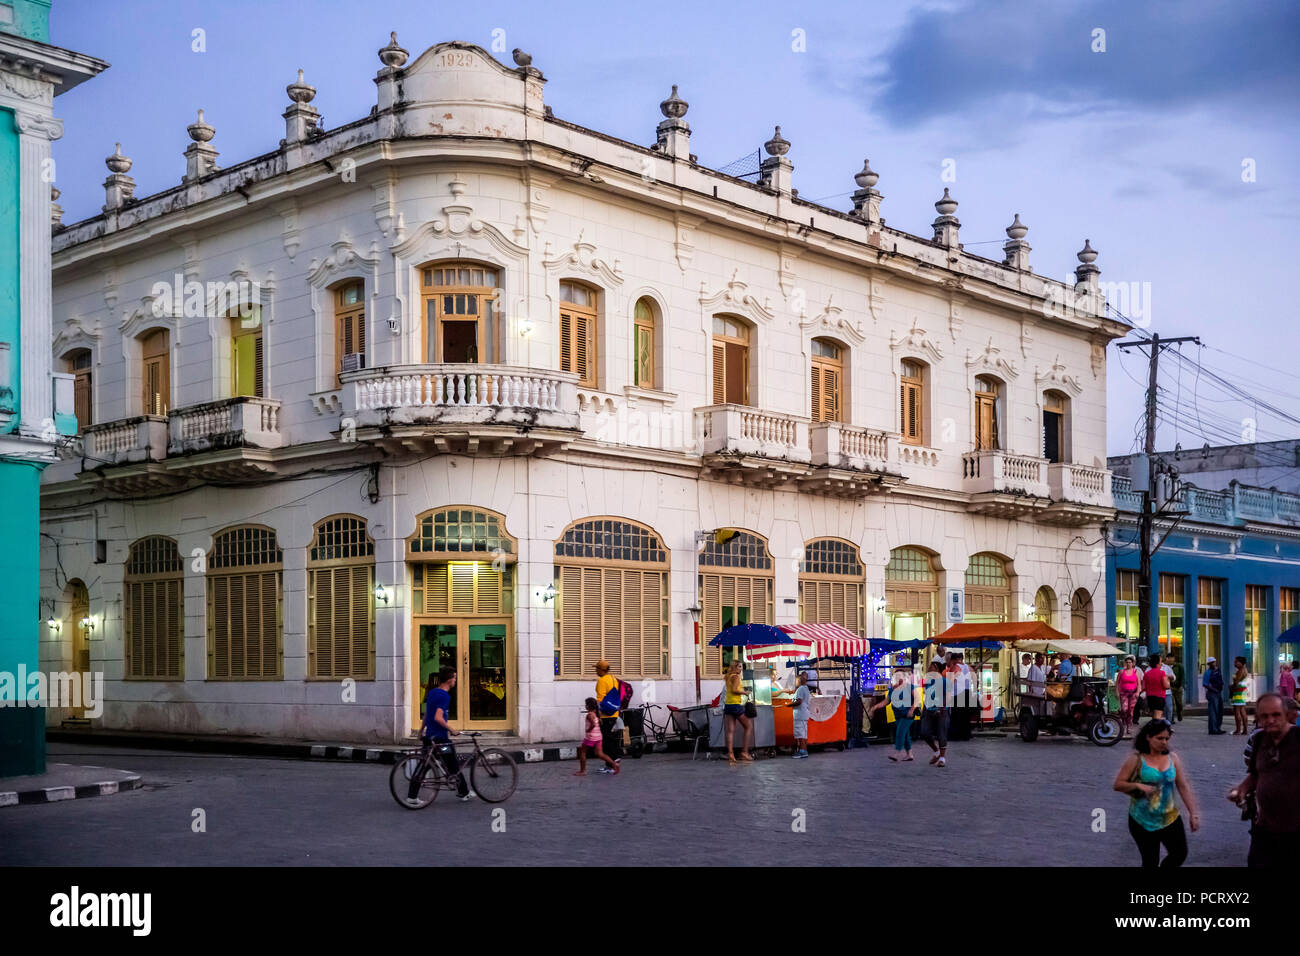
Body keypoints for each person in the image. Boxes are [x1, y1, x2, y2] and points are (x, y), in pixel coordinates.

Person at [1113, 719, 1199, 867]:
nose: (1164, 742)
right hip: (1142, 820)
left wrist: (1193, 813)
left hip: (1170, 817)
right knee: (1150, 861)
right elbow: (1118, 784)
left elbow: (1183, 786)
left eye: (1166, 738)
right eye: (1159, 738)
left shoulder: (1173, 758)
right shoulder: (1136, 760)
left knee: (1179, 854)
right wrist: (1138, 786)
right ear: (1148, 737)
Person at [1229, 693, 1300, 867]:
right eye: (1265, 716)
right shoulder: (1259, 739)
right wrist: (1241, 790)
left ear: (1286, 715)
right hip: (1264, 828)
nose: (1270, 720)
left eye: (1276, 715)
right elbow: (1255, 774)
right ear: (1258, 718)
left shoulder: (1298, 738)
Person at [415, 666, 471, 801]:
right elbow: (438, 717)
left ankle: (412, 796)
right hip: (440, 739)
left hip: (429, 737)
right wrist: (451, 729)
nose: (455, 680)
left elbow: (427, 714)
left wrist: (421, 731)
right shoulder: (444, 696)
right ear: (450, 680)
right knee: (453, 764)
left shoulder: (433, 692)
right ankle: (464, 792)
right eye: (455, 678)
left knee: (423, 768)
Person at [869, 668, 916, 762]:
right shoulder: (892, 690)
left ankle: (897, 752)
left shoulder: (910, 687)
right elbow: (886, 701)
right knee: (905, 734)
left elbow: (917, 699)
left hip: (907, 715)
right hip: (898, 715)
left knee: (900, 732)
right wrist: (875, 707)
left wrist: (911, 710)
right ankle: (909, 754)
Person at [575, 697, 619, 776]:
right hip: (598, 737)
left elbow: (593, 724)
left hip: (591, 737)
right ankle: (614, 764)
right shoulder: (597, 713)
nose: (585, 706)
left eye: (586, 705)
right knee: (600, 754)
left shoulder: (589, 715)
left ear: (588, 706)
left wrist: (588, 729)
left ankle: (583, 771)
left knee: (582, 752)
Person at [722, 659, 755, 765]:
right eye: (740, 667)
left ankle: (731, 754)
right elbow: (734, 690)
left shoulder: (728, 676)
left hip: (728, 705)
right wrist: (745, 692)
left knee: (730, 730)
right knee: (748, 726)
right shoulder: (736, 677)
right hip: (736, 705)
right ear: (735, 667)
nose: (741, 669)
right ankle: (744, 752)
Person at [918, 660, 950, 768]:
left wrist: (942, 706)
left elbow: (948, 695)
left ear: (937, 669)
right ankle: (936, 751)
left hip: (942, 710)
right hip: (929, 709)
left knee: (941, 734)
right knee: (924, 732)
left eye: (931, 667)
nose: (929, 668)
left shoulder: (945, 681)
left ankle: (942, 758)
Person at [593, 659, 623, 767]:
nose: (596, 671)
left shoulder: (602, 681)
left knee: (606, 741)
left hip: (605, 715)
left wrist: (597, 713)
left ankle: (612, 764)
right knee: (611, 739)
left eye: (597, 668)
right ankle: (613, 761)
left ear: (601, 670)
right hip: (614, 713)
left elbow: (600, 699)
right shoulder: (613, 679)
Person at [1116, 655, 1142, 737]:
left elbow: (1139, 684)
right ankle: (1123, 724)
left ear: (1133, 663)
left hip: (1133, 694)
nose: (1128, 664)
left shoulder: (1136, 672)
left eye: (1130, 662)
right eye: (1127, 662)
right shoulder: (1121, 672)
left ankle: (1129, 726)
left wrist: (1138, 692)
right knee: (1124, 709)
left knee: (1130, 711)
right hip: (1124, 693)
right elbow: (1117, 683)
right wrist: (1117, 692)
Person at [1143, 652, 1170, 720]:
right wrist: (1167, 680)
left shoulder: (1146, 674)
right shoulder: (1162, 673)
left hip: (1150, 697)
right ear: (1157, 663)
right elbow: (1166, 686)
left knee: (1153, 716)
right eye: (1160, 662)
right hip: (1160, 697)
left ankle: (1154, 729)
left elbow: (1143, 687)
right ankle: (1156, 729)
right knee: (1158, 717)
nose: (1161, 663)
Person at [1203, 657, 1226, 735]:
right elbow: (1205, 684)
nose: (1214, 664)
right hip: (1212, 693)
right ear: (1209, 664)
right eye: (1212, 662)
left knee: (1220, 711)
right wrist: (1214, 690)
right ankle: (1213, 729)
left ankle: (1217, 727)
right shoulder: (1207, 672)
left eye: (1214, 662)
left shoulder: (1217, 671)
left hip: (1218, 693)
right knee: (1213, 712)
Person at [791, 673, 811, 759]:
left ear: (800, 680)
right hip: (803, 714)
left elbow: (799, 701)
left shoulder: (800, 689)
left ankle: (803, 751)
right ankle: (803, 750)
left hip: (800, 714)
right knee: (803, 733)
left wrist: (790, 705)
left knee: (801, 734)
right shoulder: (806, 688)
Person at [1230, 657, 1251, 735]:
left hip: (1238, 692)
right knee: (1242, 710)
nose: (1234, 664)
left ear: (1241, 663)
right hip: (1242, 692)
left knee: (1237, 711)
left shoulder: (1240, 671)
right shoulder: (1244, 670)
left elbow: (1236, 683)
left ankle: (1238, 730)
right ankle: (1245, 730)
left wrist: (1231, 687)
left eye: (1236, 662)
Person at [1161, 657, 1179, 723]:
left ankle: (1168, 723)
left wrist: (1170, 677)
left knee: (1169, 708)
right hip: (1157, 692)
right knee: (1158, 710)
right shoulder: (1151, 667)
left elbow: (1174, 677)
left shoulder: (1166, 667)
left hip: (1167, 692)